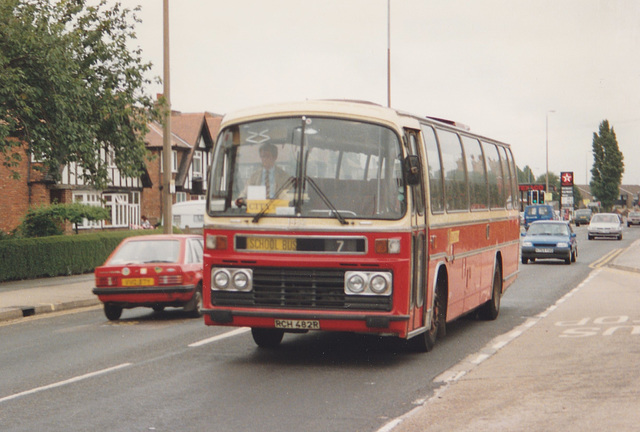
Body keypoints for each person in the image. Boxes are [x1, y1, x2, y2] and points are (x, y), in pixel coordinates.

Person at [235, 143, 291, 207]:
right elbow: (244, 194)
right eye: (262, 156)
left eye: (267, 156)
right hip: (257, 212)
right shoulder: (254, 177)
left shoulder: (284, 177)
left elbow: (289, 196)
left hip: (277, 213)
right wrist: (240, 200)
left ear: (275, 157)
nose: (264, 159)